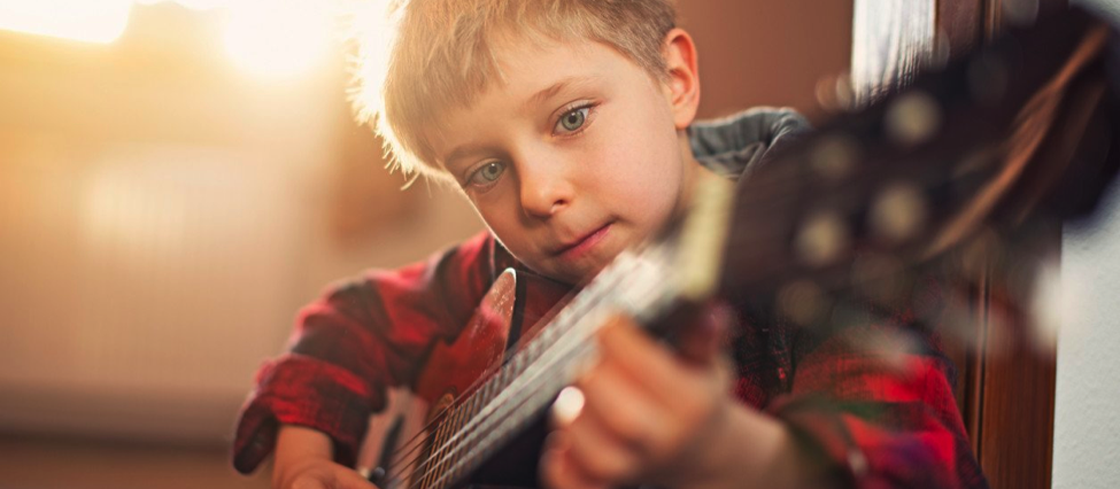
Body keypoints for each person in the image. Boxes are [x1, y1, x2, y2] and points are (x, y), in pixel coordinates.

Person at [232, 1, 987, 488]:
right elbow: (354, 315)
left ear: (675, 78)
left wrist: (737, 455)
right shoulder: (502, 271)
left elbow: (918, 460)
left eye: (570, 118)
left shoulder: (827, 260)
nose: (537, 194)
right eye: (486, 170)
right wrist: (305, 459)